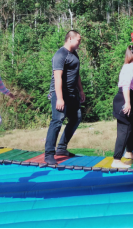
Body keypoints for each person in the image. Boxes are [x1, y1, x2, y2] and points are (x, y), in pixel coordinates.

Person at [44, 31, 85, 166]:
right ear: (70, 38)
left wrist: (81, 90)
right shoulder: (60, 54)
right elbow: (57, 78)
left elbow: (76, 73)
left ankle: (61, 148)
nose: (80, 43)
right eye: (78, 40)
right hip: (59, 92)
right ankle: (49, 154)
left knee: (76, 118)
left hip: (73, 93)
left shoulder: (74, 54)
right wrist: (60, 98)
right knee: (57, 120)